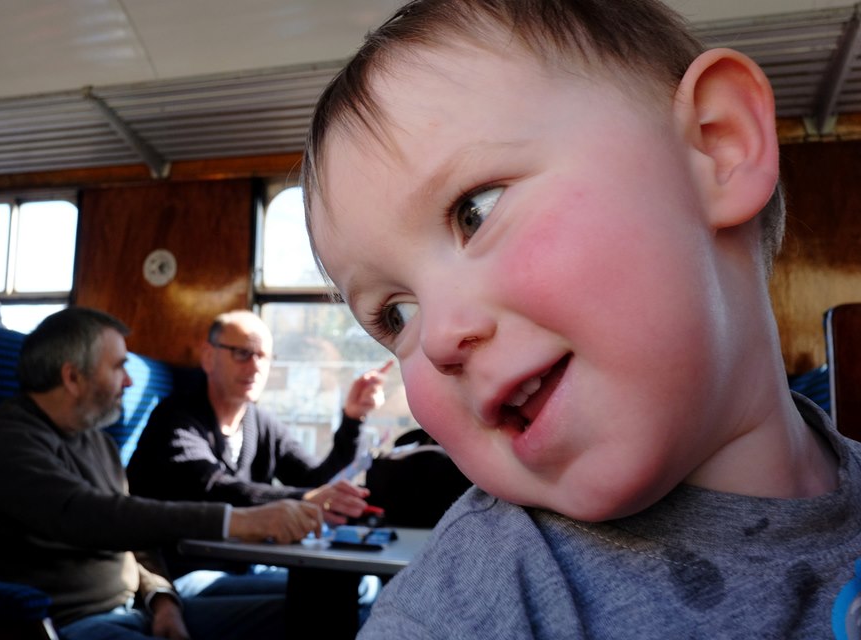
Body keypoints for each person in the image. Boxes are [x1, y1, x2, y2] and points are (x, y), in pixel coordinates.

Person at [300, 0, 861, 637]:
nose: (435, 339)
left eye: (475, 212)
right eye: (395, 314)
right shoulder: (462, 612)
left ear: (718, 147)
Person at [0, 307, 323, 640]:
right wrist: (236, 521)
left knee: (317, 616)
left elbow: (135, 542)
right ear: (73, 377)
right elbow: (87, 515)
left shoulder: (98, 443)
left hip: (138, 609)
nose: (129, 381)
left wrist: (163, 601)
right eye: (119, 366)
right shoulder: (4, 439)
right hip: (64, 622)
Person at [127, 309, 391, 529]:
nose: (255, 368)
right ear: (209, 357)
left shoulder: (262, 424)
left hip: (241, 559)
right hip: (184, 564)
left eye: (263, 356)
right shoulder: (175, 419)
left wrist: (354, 418)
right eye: (242, 353)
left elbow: (316, 482)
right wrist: (305, 499)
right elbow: (211, 487)